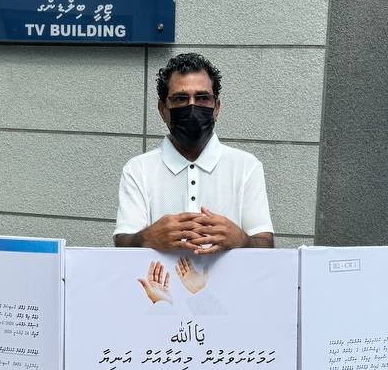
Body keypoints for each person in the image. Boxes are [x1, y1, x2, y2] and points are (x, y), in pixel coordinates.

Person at [114, 52, 274, 254]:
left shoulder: (246, 166)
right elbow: (122, 243)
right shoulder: (138, 169)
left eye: (202, 98)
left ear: (216, 107)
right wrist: (147, 237)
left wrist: (241, 239)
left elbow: (266, 245)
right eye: (181, 99)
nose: (192, 107)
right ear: (163, 109)